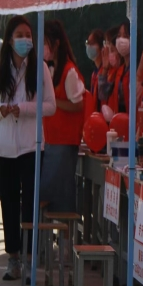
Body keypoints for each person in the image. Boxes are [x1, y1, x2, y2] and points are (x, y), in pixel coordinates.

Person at [0, 16, 56, 281]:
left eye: (28, 35)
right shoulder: (1, 67)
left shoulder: (40, 67)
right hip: (4, 146)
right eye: (20, 35)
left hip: (32, 145)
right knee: (8, 202)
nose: (25, 40)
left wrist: (22, 108)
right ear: (10, 39)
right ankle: (13, 258)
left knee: (30, 204)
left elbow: (50, 106)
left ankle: (31, 259)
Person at [41, 19, 85, 213]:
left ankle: (65, 232)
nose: (43, 48)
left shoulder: (69, 72)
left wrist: (52, 102)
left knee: (60, 201)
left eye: (46, 42)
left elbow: (78, 105)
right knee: (49, 199)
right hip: (51, 141)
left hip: (64, 144)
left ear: (56, 43)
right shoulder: (51, 70)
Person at [86, 28, 105, 113]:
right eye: (88, 43)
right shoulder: (94, 74)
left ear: (101, 47)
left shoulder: (105, 72)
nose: (89, 46)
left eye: (92, 43)